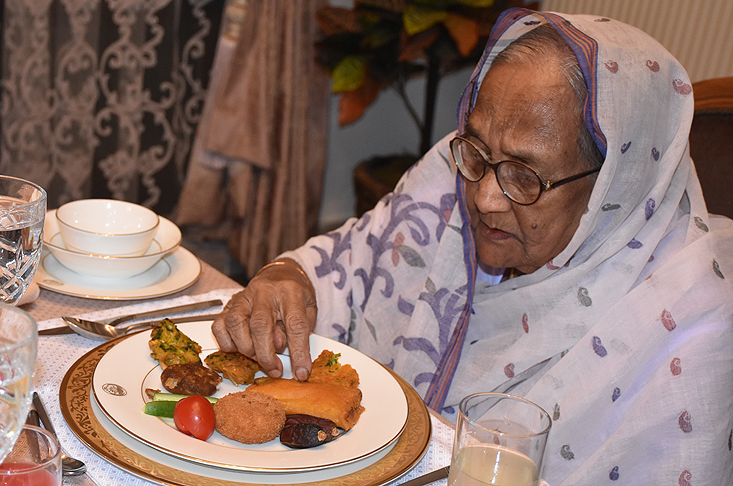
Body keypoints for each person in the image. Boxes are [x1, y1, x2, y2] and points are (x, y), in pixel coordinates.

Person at [213, 8, 733, 485]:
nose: (484, 197)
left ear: (614, 187)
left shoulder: (690, 329)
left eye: (525, 176)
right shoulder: (461, 163)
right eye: (478, 152)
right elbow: (352, 260)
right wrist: (289, 276)